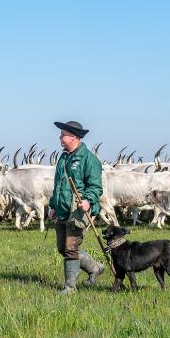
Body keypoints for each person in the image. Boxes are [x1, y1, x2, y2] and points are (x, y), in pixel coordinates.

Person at [49, 120, 105, 295]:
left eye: (63, 134)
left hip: (77, 210)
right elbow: (58, 184)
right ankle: (95, 267)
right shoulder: (64, 157)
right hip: (62, 209)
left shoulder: (89, 159)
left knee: (71, 249)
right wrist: (52, 205)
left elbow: (96, 186)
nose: (60, 137)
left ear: (73, 137)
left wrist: (88, 200)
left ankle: (70, 288)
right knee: (62, 248)